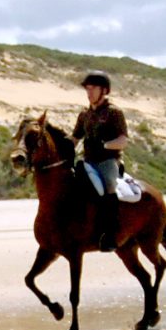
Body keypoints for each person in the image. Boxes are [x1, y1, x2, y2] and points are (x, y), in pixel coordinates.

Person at [72, 69, 129, 250]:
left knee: (109, 187)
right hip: (87, 161)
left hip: (107, 161)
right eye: (87, 89)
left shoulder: (114, 113)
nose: (89, 93)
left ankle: (111, 235)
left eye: (92, 89)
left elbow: (123, 141)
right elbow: (74, 138)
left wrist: (104, 145)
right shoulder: (84, 114)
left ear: (104, 91)